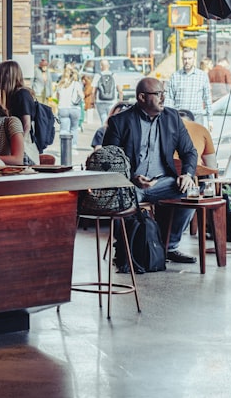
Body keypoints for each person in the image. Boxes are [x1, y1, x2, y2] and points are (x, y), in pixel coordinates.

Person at [103, 77, 199, 264]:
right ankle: (125, 249)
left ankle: (168, 247)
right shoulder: (119, 122)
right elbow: (108, 161)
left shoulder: (173, 119)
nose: (163, 98)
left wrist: (187, 174)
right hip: (131, 184)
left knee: (189, 192)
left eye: (163, 93)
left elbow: (189, 151)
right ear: (141, 97)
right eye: (158, 94)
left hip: (162, 182)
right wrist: (132, 177)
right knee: (120, 199)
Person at [0, 60, 39, 165]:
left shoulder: (22, 95)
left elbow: (26, 125)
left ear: (6, 76)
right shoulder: (15, 96)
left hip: (25, 152)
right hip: (21, 150)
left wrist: (17, 147)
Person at [166, 46, 212, 127]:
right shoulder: (175, 76)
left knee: (196, 140)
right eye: (184, 59)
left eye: (189, 58)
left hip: (197, 118)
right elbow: (169, 99)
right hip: (180, 118)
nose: (187, 61)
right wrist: (169, 118)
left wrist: (210, 120)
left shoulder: (202, 76)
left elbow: (207, 99)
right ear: (182, 59)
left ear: (194, 59)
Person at [177, 109, 218, 176]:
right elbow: (211, 166)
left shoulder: (164, 128)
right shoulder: (201, 129)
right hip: (193, 173)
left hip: (167, 171)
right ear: (193, 121)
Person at [54, 66, 83, 155]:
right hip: (74, 108)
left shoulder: (60, 84)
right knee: (74, 129)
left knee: (64, 130)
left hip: (63, 108)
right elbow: (82, 96)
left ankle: (64, 149)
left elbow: (57, 97)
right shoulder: (76, 84)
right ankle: (73, 148)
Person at [93, 59, 119, 125]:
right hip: (112, 101)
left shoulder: (98, 76)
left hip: (100, 101)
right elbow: (120, 90)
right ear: (109, 66)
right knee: (112, 120)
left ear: (101, 66)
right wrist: (120, 101)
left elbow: (93, 91)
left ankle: (104, 133)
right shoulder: (114, 75)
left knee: (103, 121)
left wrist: (93, 101)